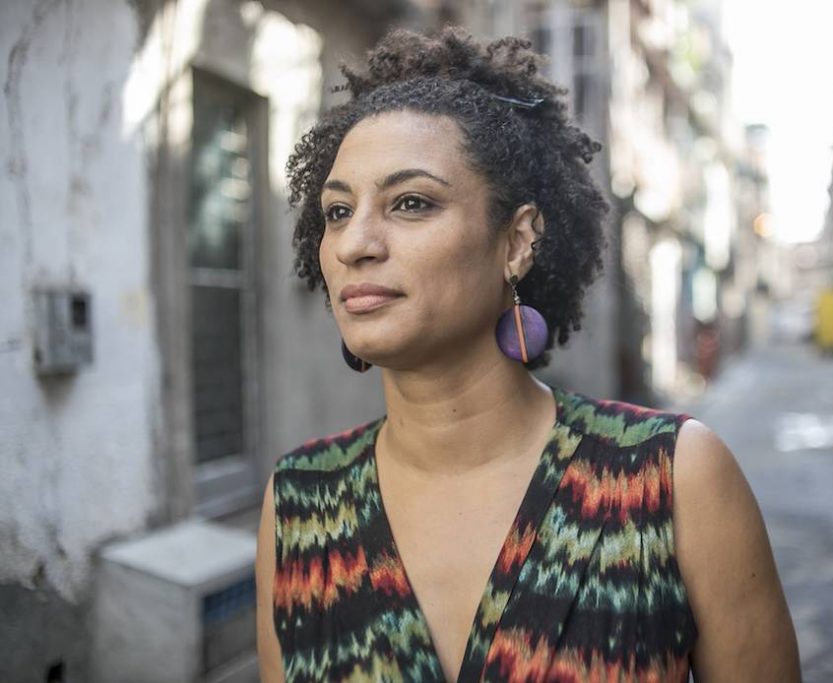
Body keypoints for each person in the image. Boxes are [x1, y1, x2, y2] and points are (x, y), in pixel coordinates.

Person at [255, 26, 800, 683]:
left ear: (516, 243)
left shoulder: (671, 480)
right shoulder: (299, 505)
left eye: (411, 203)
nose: (353, 244)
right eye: (338, 211)